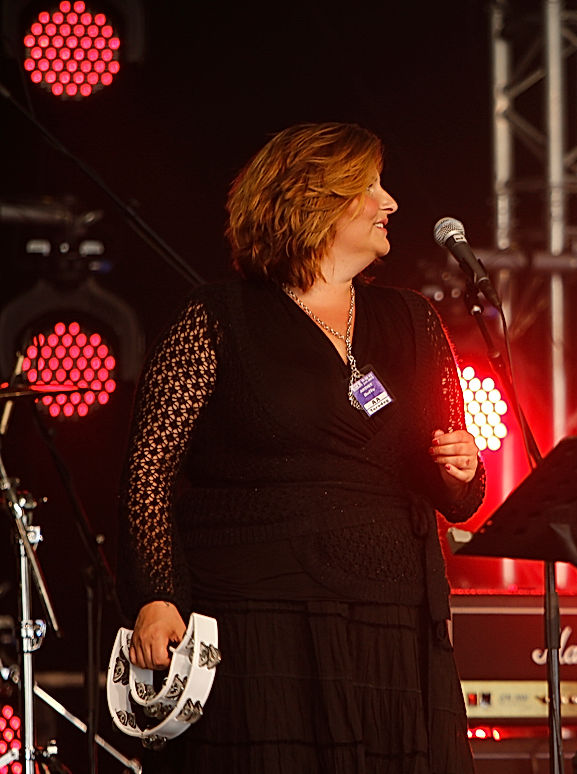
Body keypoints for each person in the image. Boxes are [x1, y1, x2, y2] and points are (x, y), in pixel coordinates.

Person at [117, 122, 484, 773]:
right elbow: (150, 471)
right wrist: (157, 595)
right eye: (369, 187)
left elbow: (456, 495)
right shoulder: (217, 318)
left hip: (389, 621)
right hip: (258, 619)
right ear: (315, 200)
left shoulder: (413, 319)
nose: (391, 202)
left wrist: (462, 470)